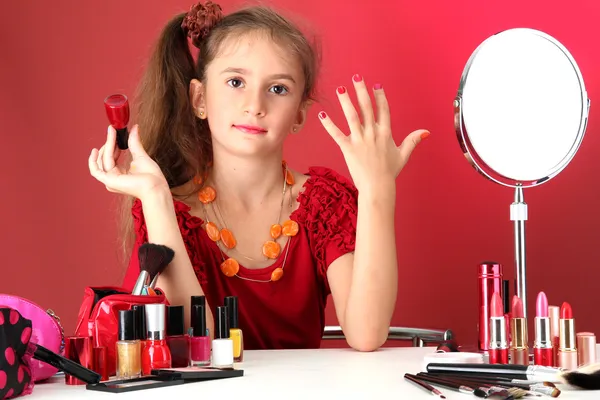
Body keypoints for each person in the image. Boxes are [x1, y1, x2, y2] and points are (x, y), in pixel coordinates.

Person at [88, 1, 430, 352]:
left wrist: (377, 188)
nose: (255, 105)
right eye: (236, 82)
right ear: (199, 98)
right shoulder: (170, 214)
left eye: (278, 88)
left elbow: (366, 333)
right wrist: (156, 195)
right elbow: (196, 349)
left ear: (299, 113)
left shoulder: (323, 205)